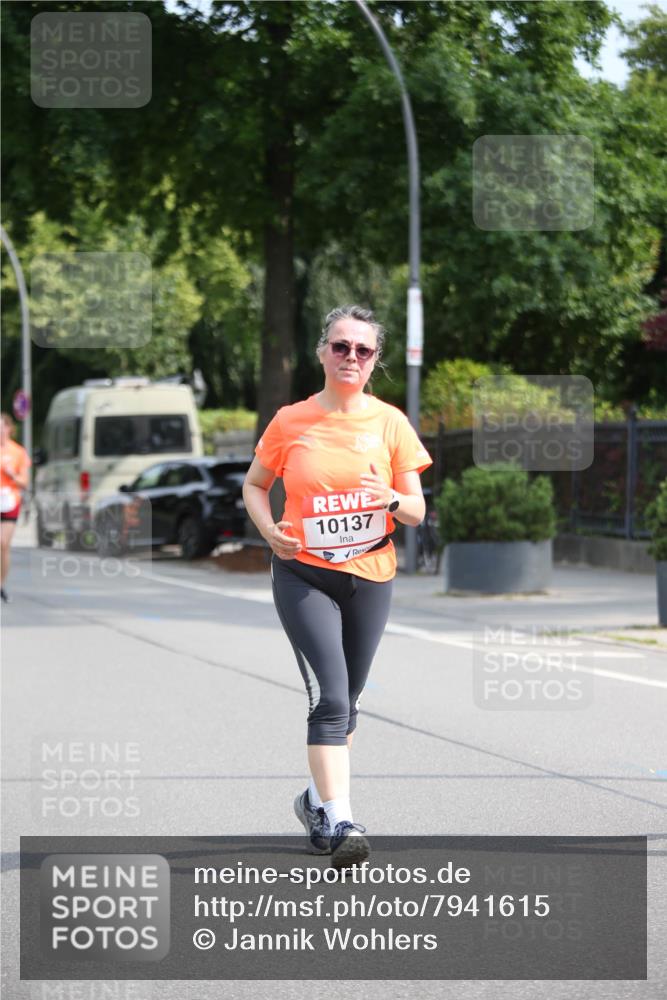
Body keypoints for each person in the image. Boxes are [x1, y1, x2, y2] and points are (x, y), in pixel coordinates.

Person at [242, 305, 432, 869]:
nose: (352, 357)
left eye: (364, 350)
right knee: (328, 697)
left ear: (376, 361)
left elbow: (417, 510)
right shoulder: (290, 420)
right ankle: (342, 818)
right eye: (342, 346)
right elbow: (255, 486)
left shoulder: (390, 423)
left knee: (348, 703)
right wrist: (268, 529)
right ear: (323, 352)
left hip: (370, 574)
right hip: (303, 572)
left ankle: (315, 800)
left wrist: (391, 500)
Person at [0, 412, 31, 603]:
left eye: (2, 426)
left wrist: (12, 475)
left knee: (3, 544)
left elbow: (25, 482)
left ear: (9, 429)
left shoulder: (18, 452)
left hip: (10, 501)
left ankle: (1, 584)